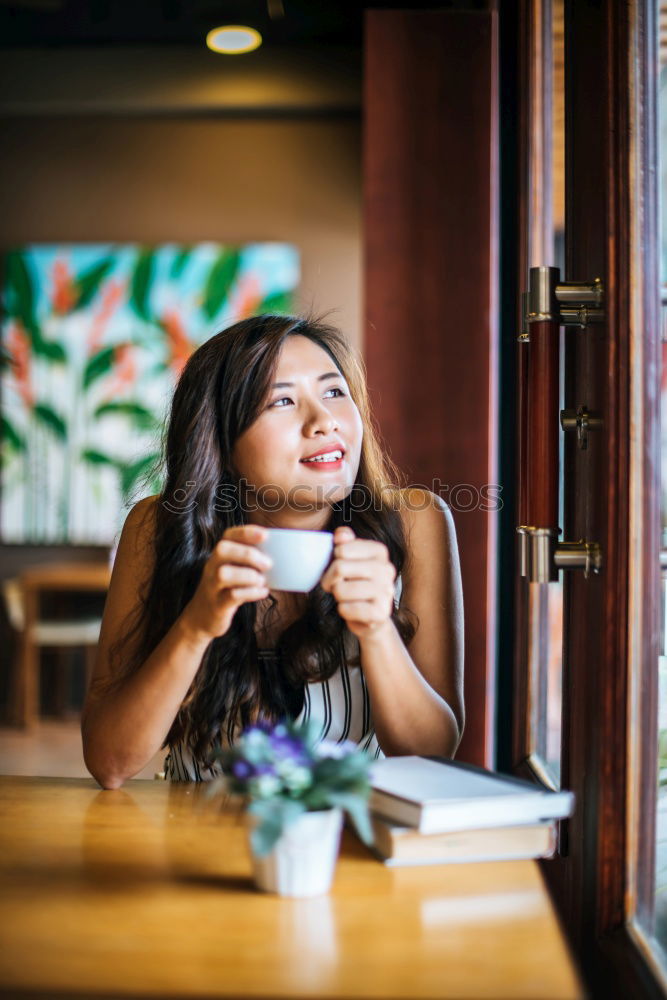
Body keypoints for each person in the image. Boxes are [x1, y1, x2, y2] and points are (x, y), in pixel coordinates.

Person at [82, 314, 464, 788]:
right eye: (282, 400)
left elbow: (434, 752)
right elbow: (109, 762)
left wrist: (376, 629)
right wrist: (196, 626)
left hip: (346, 838)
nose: (324, 421)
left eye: (334, 392)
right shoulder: (158, 528)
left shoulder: (414, 522)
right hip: (191, 837)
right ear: (222, 438)